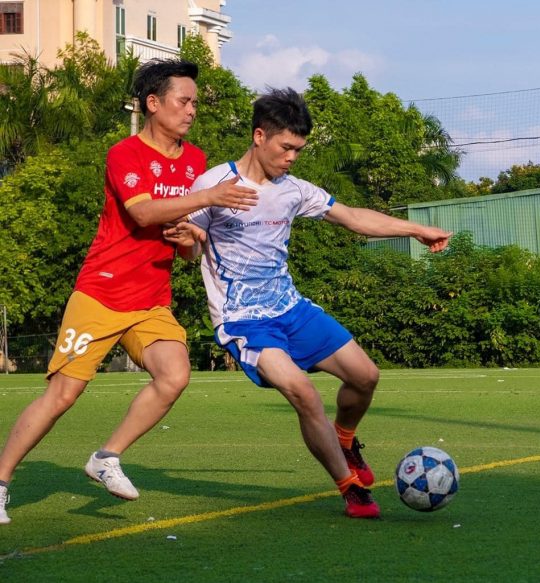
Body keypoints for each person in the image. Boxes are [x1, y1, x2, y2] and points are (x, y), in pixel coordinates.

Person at [0, 59, 259, 524]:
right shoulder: (125, 153)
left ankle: (106, 458)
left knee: (175, 375)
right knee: (62, 396)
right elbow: (142, 213)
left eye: (195, 103)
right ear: (153, 103)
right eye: (184, 101)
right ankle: (0, 482)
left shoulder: (195, 161)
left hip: (151, 301)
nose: (192, 110)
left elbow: (188, 247)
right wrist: (209, 197)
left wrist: (190, 239)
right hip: (100, 294)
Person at [185, 88, 451, 519]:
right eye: (286, 147)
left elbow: (353, 218)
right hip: (244, 321)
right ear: (259, 136)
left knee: (365, 376)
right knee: (304, 393)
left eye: (299, 150)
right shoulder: (213, 184)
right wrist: (189, 241)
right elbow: (190, 245)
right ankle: (350, 488)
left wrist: (416, 229)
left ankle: (344, 438)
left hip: (290, 308)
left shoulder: (294, 190)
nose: (292, 157)